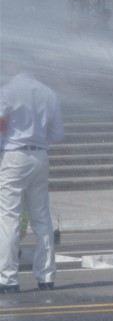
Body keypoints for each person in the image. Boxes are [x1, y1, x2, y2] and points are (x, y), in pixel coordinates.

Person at [0, 58, 64, 293]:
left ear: (14, 66)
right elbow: (57, 133)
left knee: (8, 218)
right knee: (41, 218)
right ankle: (46, 277)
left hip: (14, 156)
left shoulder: (7, 92)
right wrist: (37, 138)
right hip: (40, 157)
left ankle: (8, 279)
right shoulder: (49, 93)